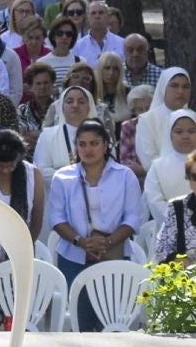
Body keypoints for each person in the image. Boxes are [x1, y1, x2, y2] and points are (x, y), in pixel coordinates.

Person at [47, 121, 143, 329]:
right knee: (82, 317)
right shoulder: (63, 177)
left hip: (114, 250)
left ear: (106, 144)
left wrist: (107, 242)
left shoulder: (125, 175)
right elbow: (56, 218)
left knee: (110, 316)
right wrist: (81, 242)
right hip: (73, 254)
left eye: (94, 143)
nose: (88, 149)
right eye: (82, 144)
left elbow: (133, 218)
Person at [33, 84, 100, 183]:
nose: (75, 105)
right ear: (62, 107)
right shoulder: (47, 135)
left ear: (90, 108)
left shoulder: (101, 136)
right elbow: (40, 171)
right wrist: (76, 176)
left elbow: (109, 169)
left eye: (81, 102)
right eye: (69, 101)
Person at [134, 67, 195, 169]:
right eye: (174, 86)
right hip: (161, 180)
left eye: (185, 86)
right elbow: (149, 161)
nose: (180, 91)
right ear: (163, 87)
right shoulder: (147, 120)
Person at [143, 110, 196, 226]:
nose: (186, 136)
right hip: (172, 232)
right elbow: (155, 201)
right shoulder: (158, 167)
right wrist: (183, 223)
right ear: (170, 136)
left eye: (191, 131)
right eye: (179, 132)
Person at [154, 150, 196, 264]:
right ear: (189, 179)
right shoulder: (177, 207)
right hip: (186, 277)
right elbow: (161, 251)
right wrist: (183, 260)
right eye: (195, 177)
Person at [16, 63, 57, 153]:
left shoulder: (60, 108)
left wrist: (35, 136)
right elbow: (21, 137)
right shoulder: (22, 110)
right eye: (38, 84)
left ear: (52, 85)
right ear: (31, 87)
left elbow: (59, 136)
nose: (42, 87)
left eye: (46, 83)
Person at [118, 84, 155, 183]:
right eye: (139, 109)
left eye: (148, 108)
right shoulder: (128, 126)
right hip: (136, 181)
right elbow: (127, 163)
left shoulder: (163, 124)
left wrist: (144, 171)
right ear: (133, 111)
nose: (144, 113)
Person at [74, 0, 125, 67]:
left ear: (107, 17)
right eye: (93, 13)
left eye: (101, 13)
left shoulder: (122, 43)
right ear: (87, 18)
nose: (97, 16)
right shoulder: (78, 47)